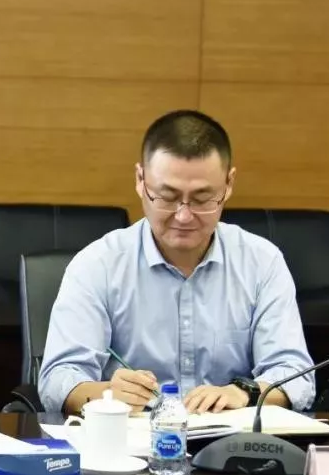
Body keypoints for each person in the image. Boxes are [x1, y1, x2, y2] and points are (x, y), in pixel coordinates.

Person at [38, 110, 314, 415]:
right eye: (167, 197)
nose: (183, 216)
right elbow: (58, 380)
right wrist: (107, 394)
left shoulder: (262, 262)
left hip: (231, 438)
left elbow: (295, 376)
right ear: (141, 180)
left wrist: (243, 393)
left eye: (202, 199)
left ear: (228, 184)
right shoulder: (97, 265)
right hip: (129, 436)